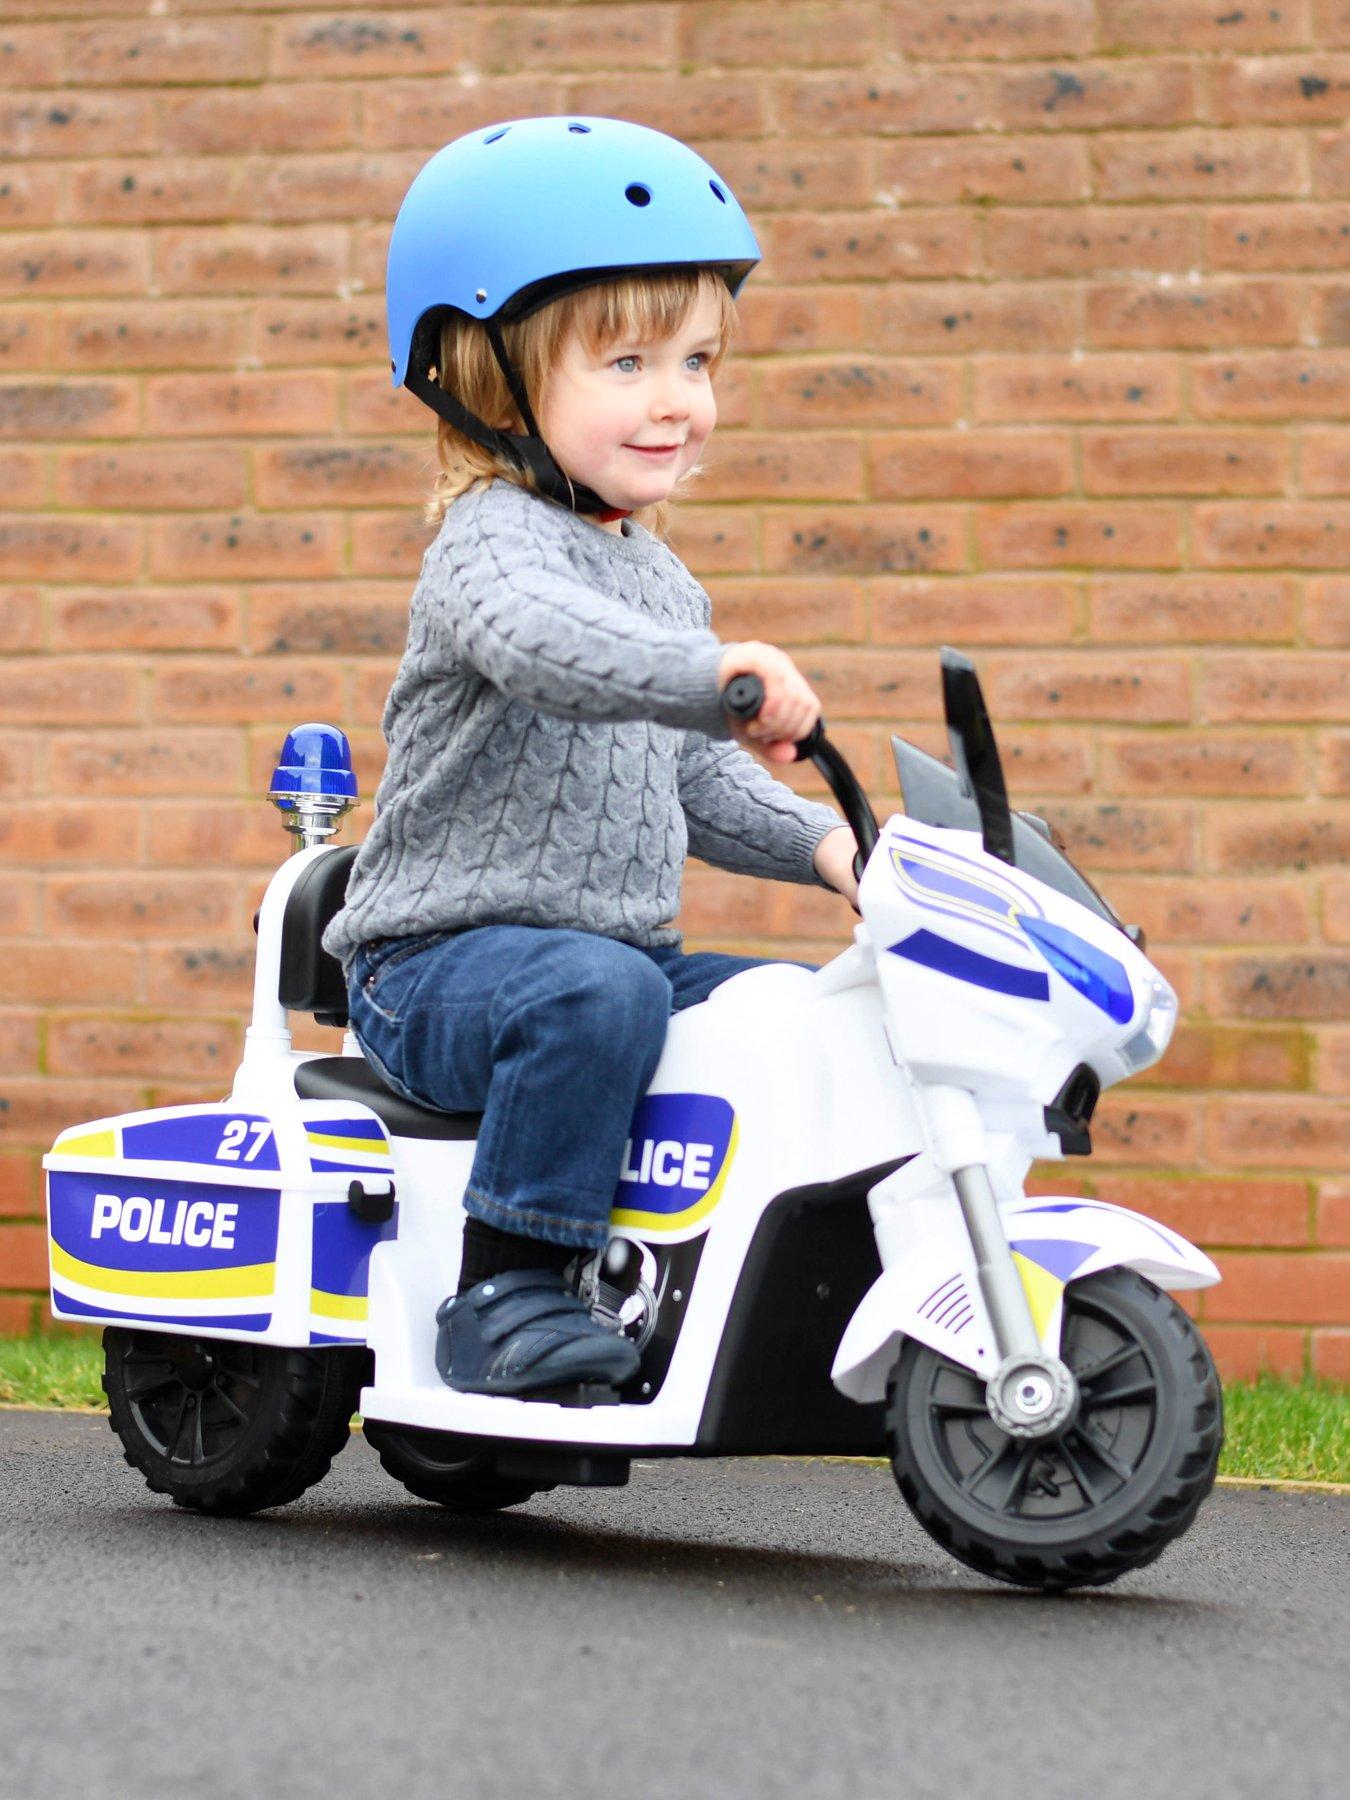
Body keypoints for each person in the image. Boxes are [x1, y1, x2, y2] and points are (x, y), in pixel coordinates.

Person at [322, 117, 859, 1402]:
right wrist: (712, 675)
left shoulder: (658, 578)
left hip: (613, 958)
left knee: (796, 1009)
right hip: (433, 970)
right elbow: (553, 650)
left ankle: (756, 1284)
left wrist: (840, 847)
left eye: (697, 358)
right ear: (491, 377)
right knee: (593, 995)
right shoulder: (487, 548)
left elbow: (697, 784)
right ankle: (505, 1291)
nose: (680, 398)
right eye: (627, 361)